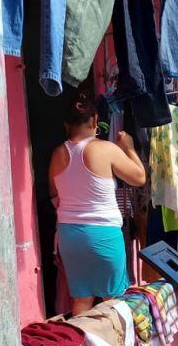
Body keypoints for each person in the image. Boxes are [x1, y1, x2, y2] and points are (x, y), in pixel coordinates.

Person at [49, 94, 146, 316]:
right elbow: (139, 177)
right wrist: (129, 147)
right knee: (113, 301)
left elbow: (54, 193)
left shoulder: (57, 154)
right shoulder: (105, 148)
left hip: (69, 235)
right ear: (94, 120)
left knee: (82, 300)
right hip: (103, 233)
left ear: (66, 124)